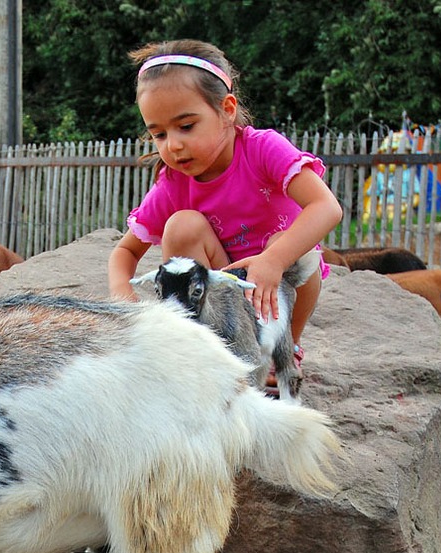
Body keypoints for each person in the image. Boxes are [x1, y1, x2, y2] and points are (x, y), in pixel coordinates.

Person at [108, 39, 343, 386]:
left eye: (186, 126)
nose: (173, 144)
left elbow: (327, 207)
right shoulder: (174, 182)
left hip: (280, 285)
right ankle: (215, 349)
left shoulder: (263, 148)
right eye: (158, 133)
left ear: (227, 109)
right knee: (181, 227)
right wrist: (124, 303)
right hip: (224, 296)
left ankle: (282, 349)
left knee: (297, 247)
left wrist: (274, 260)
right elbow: (125, 251)